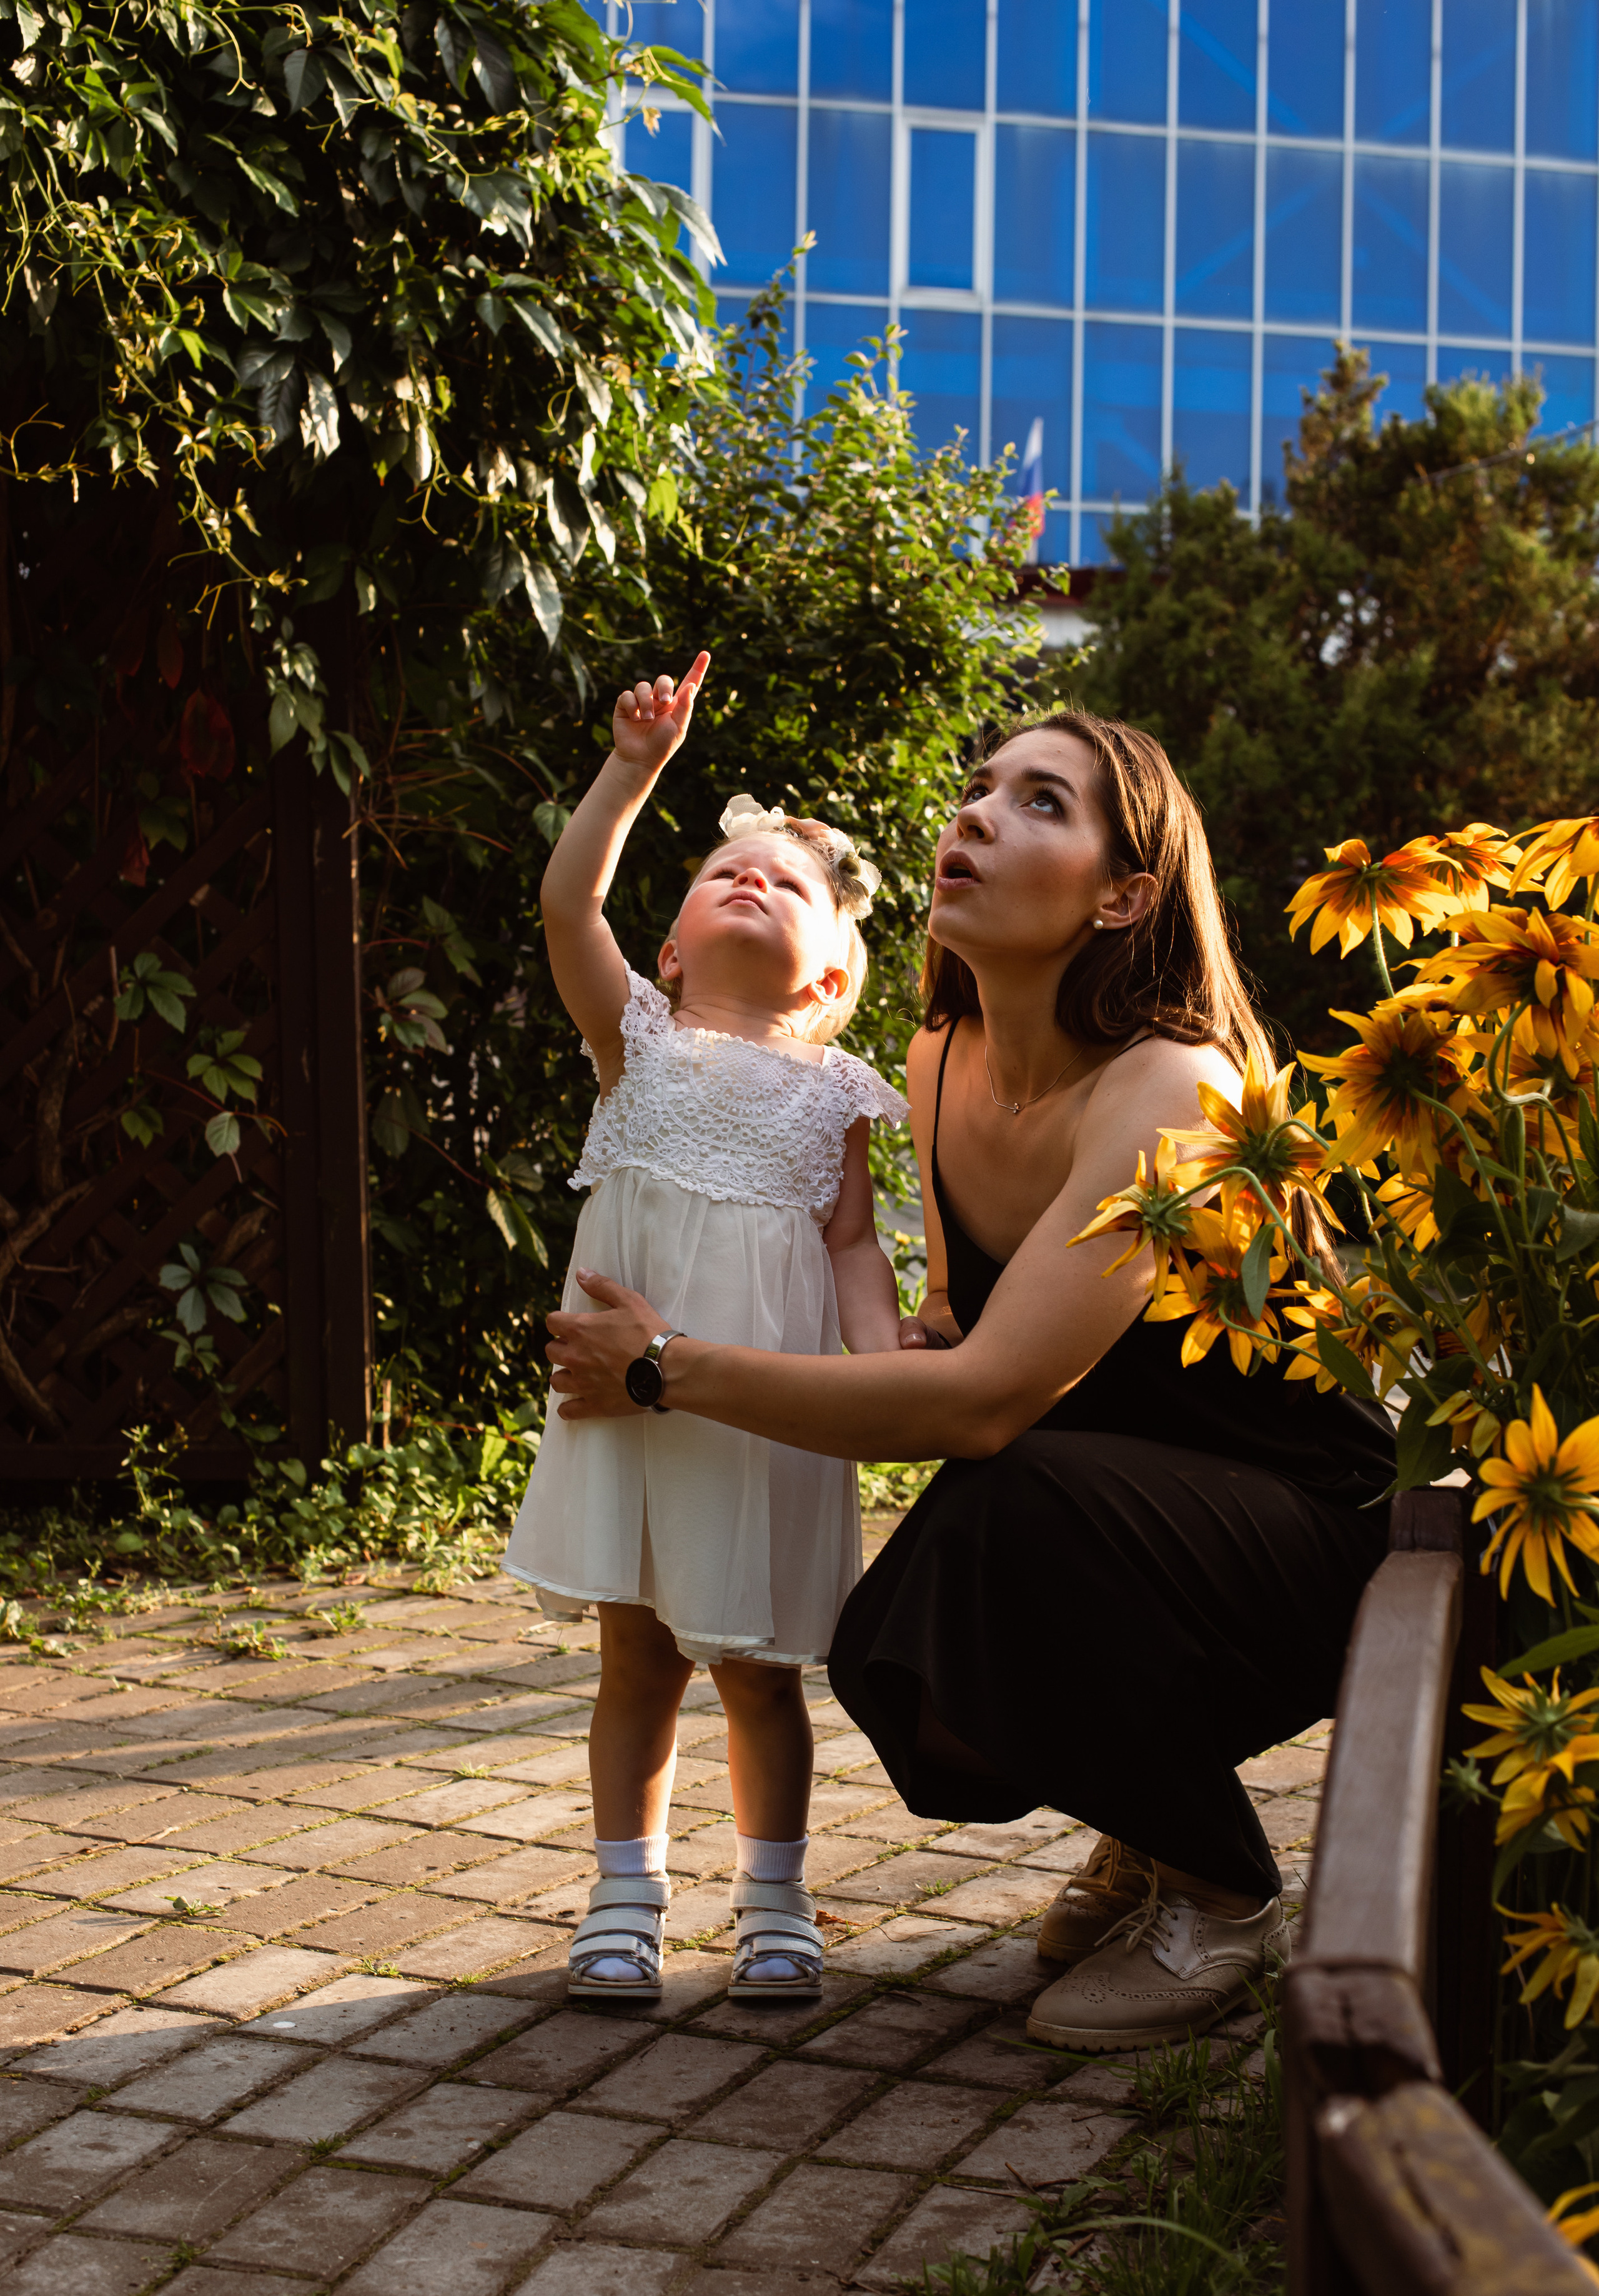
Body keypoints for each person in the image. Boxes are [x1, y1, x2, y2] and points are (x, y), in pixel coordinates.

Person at [540, 707, 1395, 2052]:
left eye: (1041, 802)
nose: (978, 813)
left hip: (1320, 1536)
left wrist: (664, 1367)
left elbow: (982, 1402)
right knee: (908, 1651)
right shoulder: (938, 1065)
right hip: (1135, 1508)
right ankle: (1142, 1803)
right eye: (978, 787)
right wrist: (895, 1335)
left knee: (1003, 1521)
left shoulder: (1171, 1083)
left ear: (1124, 894)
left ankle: (1220, 1884)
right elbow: (948, 1332)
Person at [505, 653, 910, 2005]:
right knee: (635, 1653)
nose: (754, 879)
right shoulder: (633, 1039)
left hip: (756, 1416)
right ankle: (623, 1889)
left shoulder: (834, 1094)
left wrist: (895, 1364)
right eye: (728, 870)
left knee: (754, 1671)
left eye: (790, 884)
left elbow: (851, 1250)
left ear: (832, 981)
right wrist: (635, 770)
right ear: (671, 946)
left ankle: (773, 1893)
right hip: (621, 1417)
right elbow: (570, 899)